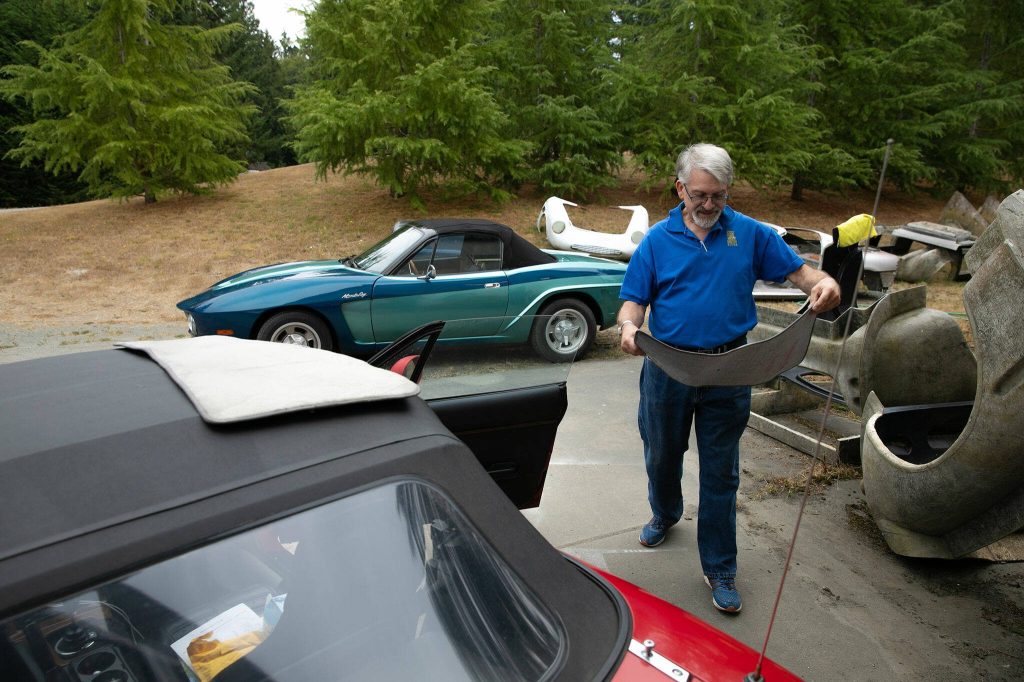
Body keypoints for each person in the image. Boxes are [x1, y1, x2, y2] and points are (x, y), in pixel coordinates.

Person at [617, 143, 843, 614]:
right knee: (662, 454)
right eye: (700, 195)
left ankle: (720, 567)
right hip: (668, 368)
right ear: (680, 188)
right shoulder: (656, 241)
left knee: (722, 472)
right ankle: (666, 512)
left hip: (731, 368)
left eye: (718, 196)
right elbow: (633, 301)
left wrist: (824, 284)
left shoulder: (752, 234)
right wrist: (628, 326)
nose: (709, 206)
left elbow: (802, 274)